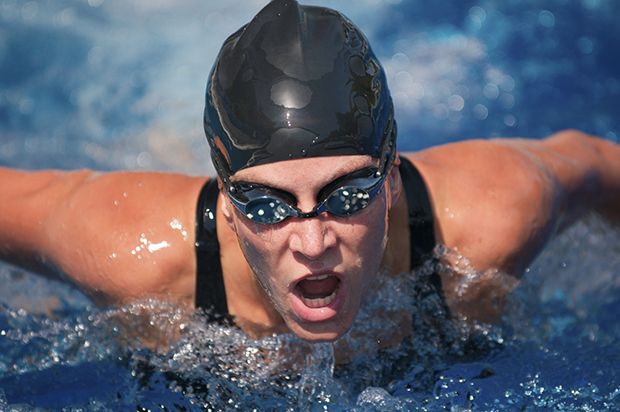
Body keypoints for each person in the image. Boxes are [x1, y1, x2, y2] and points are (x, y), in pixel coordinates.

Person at [1, 0, 619, 343]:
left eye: (348, 194)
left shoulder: (490, 219)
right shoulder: (132, 253)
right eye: (266, 204)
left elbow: (597, 163)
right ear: (225, 196)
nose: (313, 240)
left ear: (393, 173)